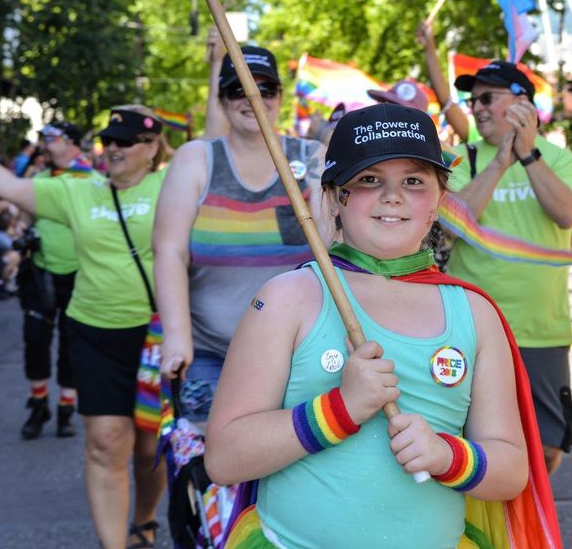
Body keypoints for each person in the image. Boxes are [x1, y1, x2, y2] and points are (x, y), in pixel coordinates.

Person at [204, 103, 529, 547]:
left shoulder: (473, 314)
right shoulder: (288, 297)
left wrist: (445, 456)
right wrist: (340, 409)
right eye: (369, 180)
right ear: (336, 198)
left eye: (413, 181)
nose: (392, 196)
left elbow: (511, 470)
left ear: (438, 200)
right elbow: (223, 457)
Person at [0, 106, 169, 549]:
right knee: (105, 440)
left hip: (158, 337)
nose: (113, 148)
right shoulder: (75, 191)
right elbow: (8, 185)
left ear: (152, 148)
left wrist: (215, 69)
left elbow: (219, 146)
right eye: (107, 141)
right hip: (93, 330)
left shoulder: (172, 185)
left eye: (125, 141)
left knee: (150, 449)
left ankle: (146, 517)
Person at [156, 46, 328, 429]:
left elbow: (334, 250)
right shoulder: (195, 159)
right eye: (240, 89)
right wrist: (177, 337)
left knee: (286, 469)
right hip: (207, 351)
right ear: (222, 100)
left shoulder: (312, 157)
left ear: (280, 98)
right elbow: (168, 252)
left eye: (265, 89)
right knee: (208, 473)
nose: (254, 98)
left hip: (296, 353)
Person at [444, 60, 572, 474]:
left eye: (488, 98)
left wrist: (527, 154)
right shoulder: (458, 157)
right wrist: (499, 163)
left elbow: (567, 215)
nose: (478, 107)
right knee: (473, 449)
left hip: (541, 331)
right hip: (473, 331)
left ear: (521, 103)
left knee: (546, 449)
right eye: (473, 100)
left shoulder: (557, 158)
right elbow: (452, 226)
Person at [18, 122, 94, 440]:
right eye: (44, 139)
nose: (46, 145)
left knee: (70, 343)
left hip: (81, 274)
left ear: (73, 143)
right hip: (40, 272)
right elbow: (24, 216)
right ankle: (38, 404)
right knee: (35, 339)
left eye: (53, 139)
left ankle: (66, 408)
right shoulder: (38, 179)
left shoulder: (95, 181)